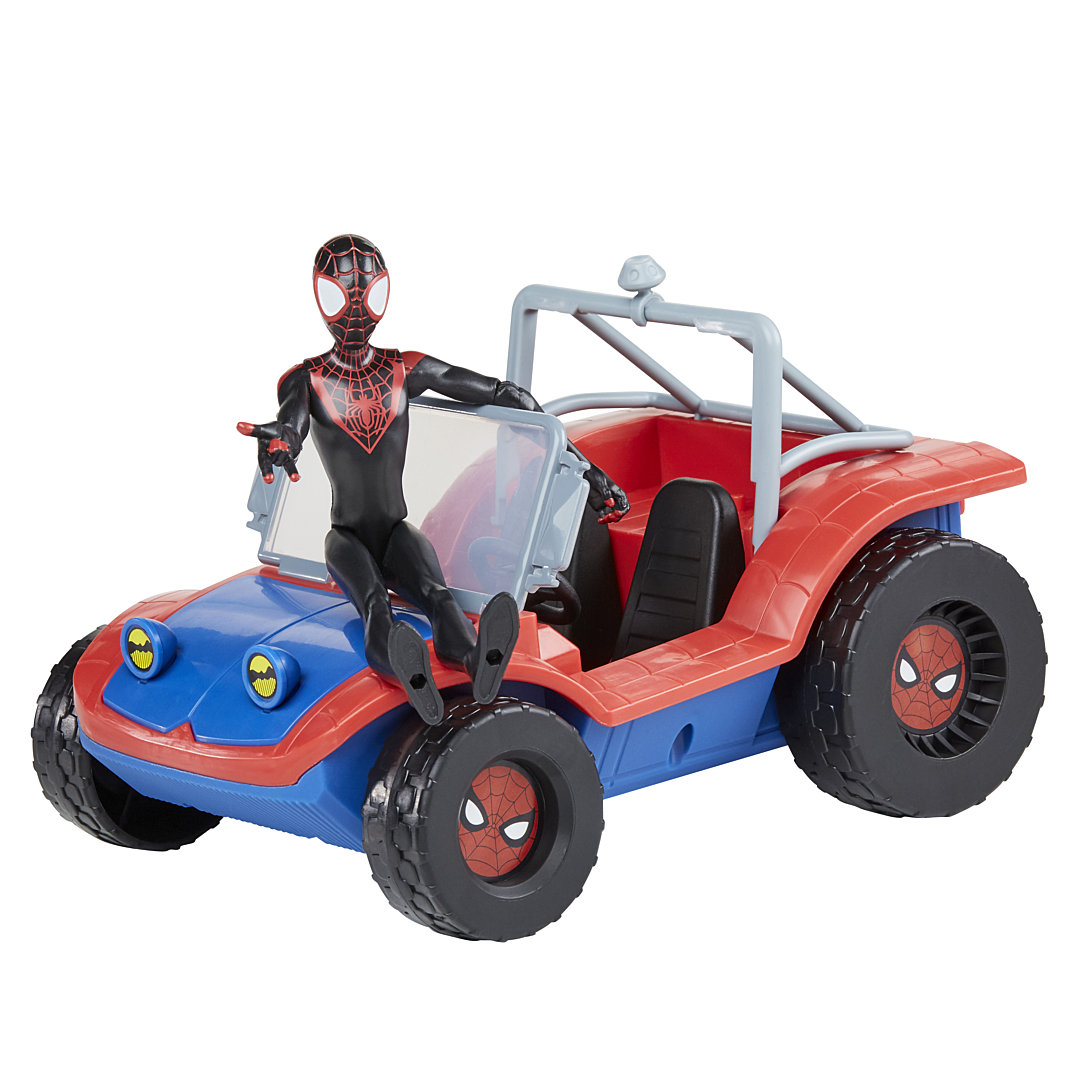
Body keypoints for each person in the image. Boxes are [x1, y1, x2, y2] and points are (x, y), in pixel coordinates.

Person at [240, 234, 628, 724]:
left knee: (440, 597)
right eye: (340, 294)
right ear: (322, 298)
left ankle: (475, 661)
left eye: (367, 293)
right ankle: (409, 672)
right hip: (346, 538)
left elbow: (506, 395)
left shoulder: (403, 368)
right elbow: (291, 426)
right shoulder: (307, 379)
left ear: (381, 295)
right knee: (375, 606)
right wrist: (281, 441)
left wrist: (586, 469)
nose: (355, 308)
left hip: (398, 531)